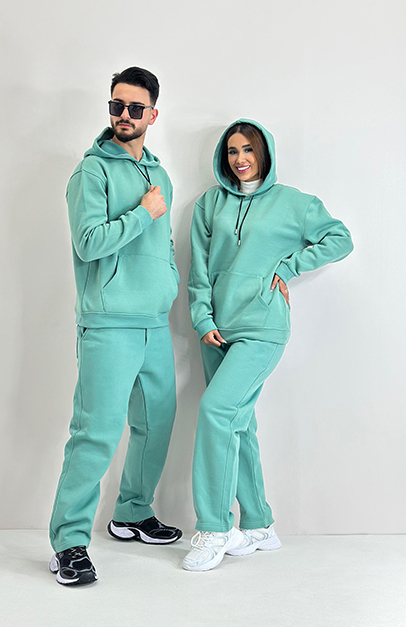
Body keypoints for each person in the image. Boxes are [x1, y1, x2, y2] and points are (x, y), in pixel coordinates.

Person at [184, 119, 353, 572]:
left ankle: (216, 528)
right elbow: (198, 268)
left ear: (264, 153)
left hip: (262, 326)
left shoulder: (294, 203)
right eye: (232, 151)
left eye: (248, 150)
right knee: (237, 423)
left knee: (216, 411)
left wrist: (290, 265)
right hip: (215, 329)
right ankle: (259, 524)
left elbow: (341, 238)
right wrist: (202, 318)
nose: (240, 159)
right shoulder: (210, 204)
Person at [49, 67, 182, 587]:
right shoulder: (91, 172)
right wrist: (144, 213)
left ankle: (132, 512)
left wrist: (169, 280)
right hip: (108, 324)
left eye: (134, 107)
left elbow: (163, 244)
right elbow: (88, 244)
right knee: (96, 434)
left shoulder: (160, 173)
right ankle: (69, 543)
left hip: (154, 323)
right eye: (115, 105)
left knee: (157, 424)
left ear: (153, 114)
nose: (124, 115)